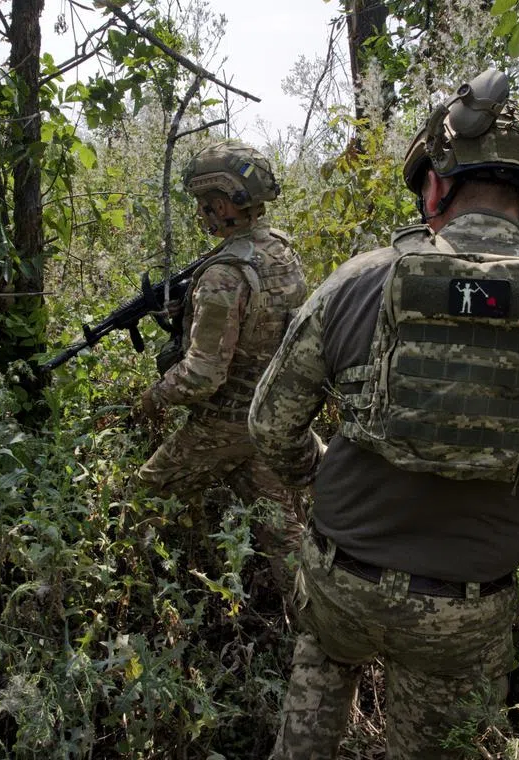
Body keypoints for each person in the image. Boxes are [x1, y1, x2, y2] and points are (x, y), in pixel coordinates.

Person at [248, 69, 519, 759]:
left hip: (340, 583)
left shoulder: (357, 283)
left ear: (437, 185)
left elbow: (269, 427)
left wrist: (315, 466)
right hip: (463, 613)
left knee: (312, 705)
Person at [137, 139, 308, 592]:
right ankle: (316, 617)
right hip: (269, 417)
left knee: (143, 499)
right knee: (283, 532)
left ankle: (147, 586)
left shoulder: (222, 273)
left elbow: (202, 375)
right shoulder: (281, 253)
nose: (202, 213)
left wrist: (153, 399)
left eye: (204, 203)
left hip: (224, 423)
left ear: (223, 202)